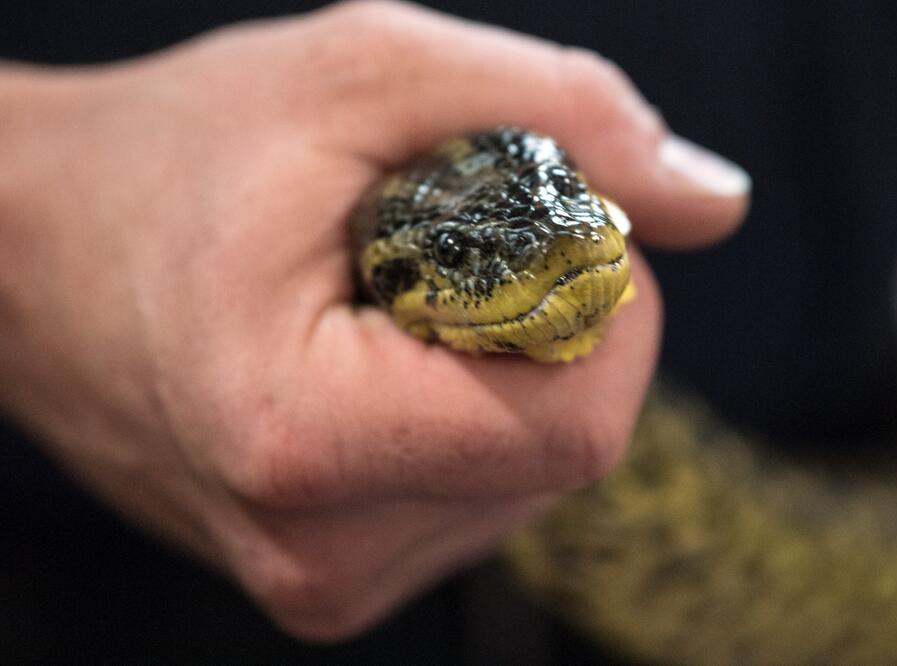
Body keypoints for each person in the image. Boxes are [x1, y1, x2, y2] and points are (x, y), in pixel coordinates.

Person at [0, 0, 749, 642]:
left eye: (567, 195)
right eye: (455, 253)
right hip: (109, 573)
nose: (560, 242)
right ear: (387, 275)